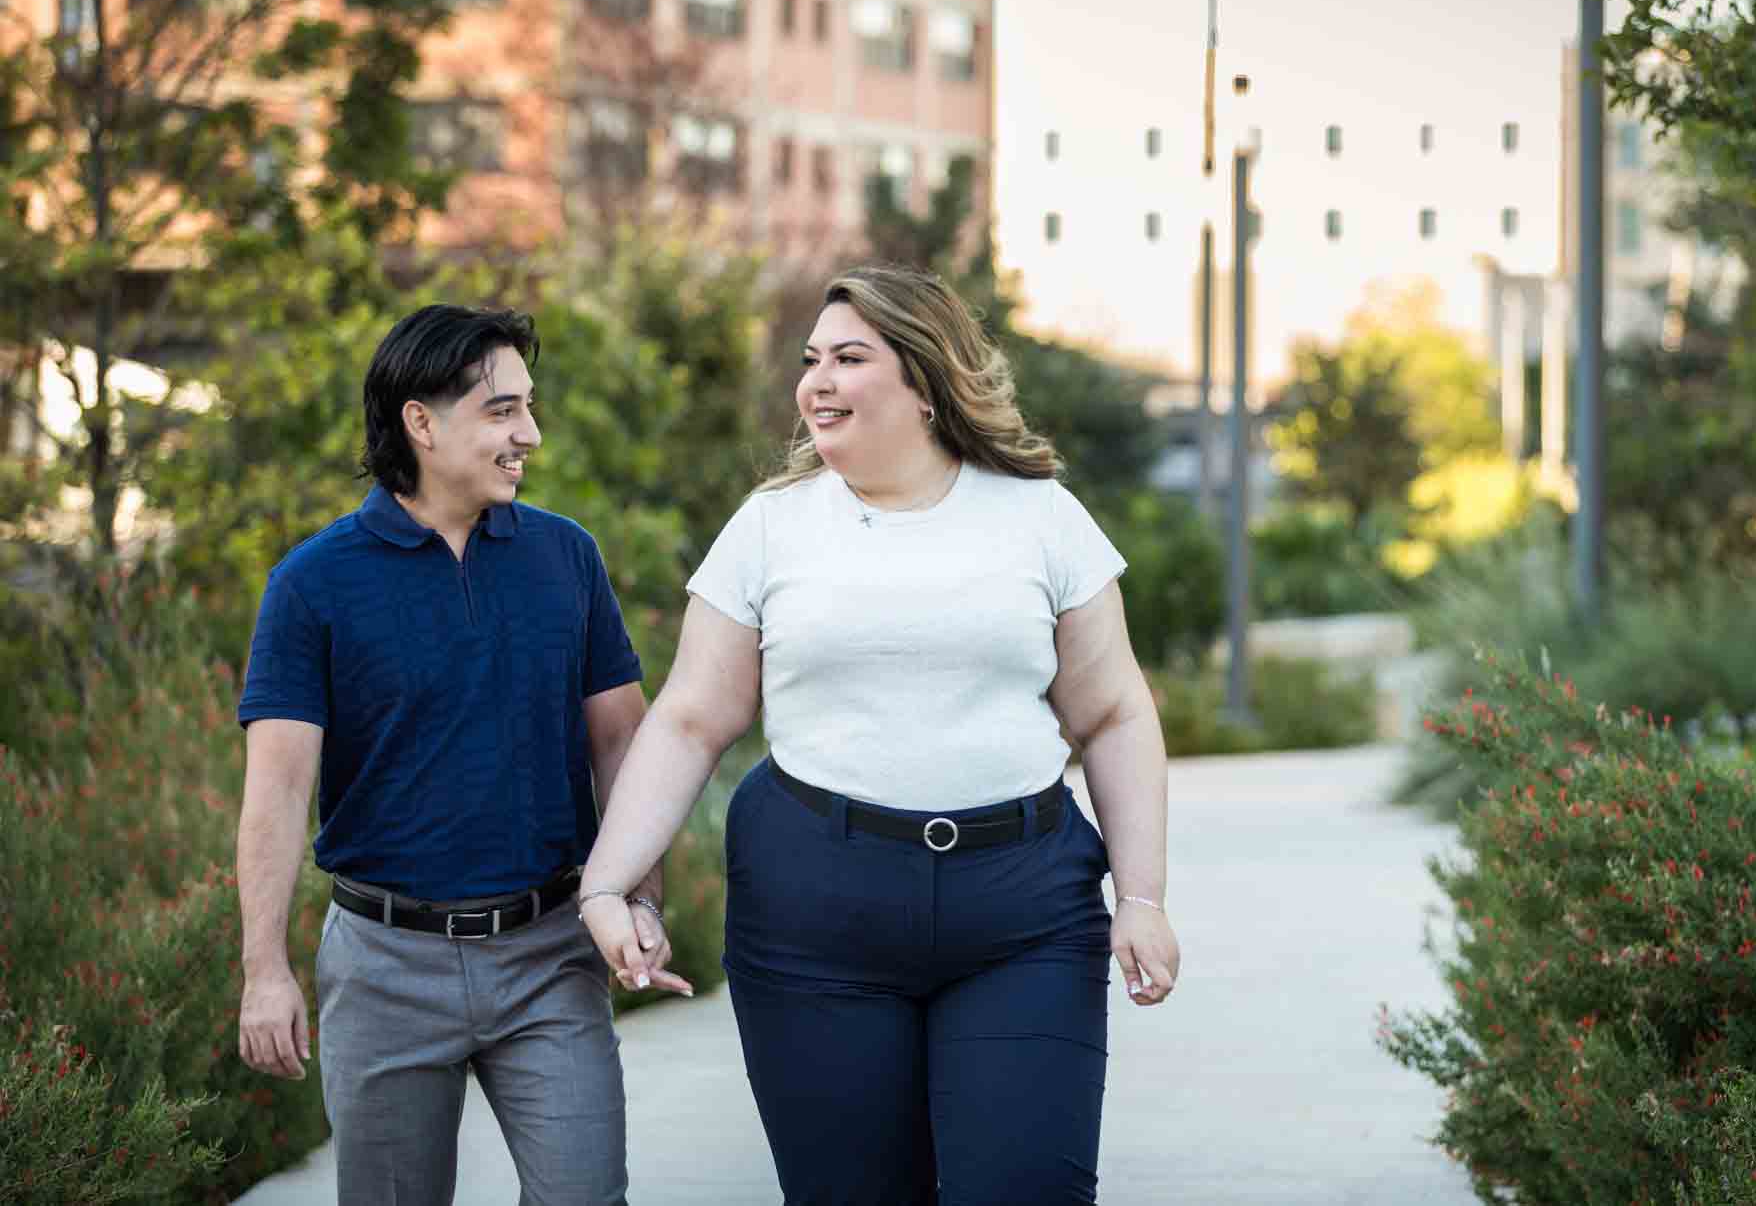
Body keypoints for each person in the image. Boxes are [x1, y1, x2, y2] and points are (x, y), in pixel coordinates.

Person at [578, 264, 1181, 1204]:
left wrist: (1141, 894)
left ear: (927, 381)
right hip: (815, 913)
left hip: (1019, 915)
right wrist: (609, 883)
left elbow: (1112, 713)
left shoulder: (1041, 515)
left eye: (849, 358)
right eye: (812, 359)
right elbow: (692, 718)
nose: (815, 381)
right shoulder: (772, 526)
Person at [234, 303, 683, 1206]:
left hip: (550, 955)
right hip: (384, 965)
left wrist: (636, 895)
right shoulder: (312, 584)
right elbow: (279, 790)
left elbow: (625, 742)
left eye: (527, 406)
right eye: (503, 411)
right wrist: (265, 968)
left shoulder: (567, 557)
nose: (532, 433)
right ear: (422, 422)